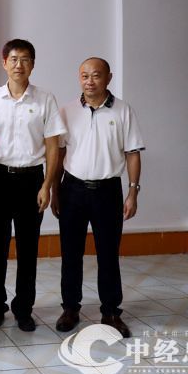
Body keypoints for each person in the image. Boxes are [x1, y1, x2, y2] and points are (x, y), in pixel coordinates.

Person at [0, 39, 66, 332]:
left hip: (31, 180)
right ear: (4, 63)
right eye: (13, 59)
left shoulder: (45, 99)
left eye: (25, 59)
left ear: (33, 64)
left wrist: (48, 185)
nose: (19, 65)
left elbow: (53, 146)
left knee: (28, 250)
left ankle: (24, 308)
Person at [51, 57, 144, 338]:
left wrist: (133, 191)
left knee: (108, 254)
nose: (89, 81)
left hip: (108, 192)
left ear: (108, 77)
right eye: (84, 76)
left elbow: (133, 153)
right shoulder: (67, 111)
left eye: (96, 75)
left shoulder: (123, 111)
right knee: (71, 253)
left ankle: (111, 312)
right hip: (72, 190)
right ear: (78, 78)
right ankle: (70, 308)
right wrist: (55, 190)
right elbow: (59, 154)